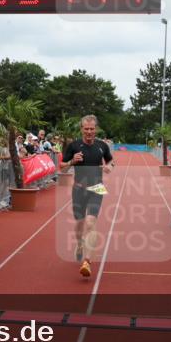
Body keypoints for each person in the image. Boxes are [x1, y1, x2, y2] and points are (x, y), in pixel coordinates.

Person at [60, 115, 114, 279]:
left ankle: (87, 262)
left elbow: (111, 162)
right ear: (82, 129)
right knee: (79, 224)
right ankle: (79, 244)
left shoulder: (102, 146)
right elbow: (61, 167)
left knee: (91, 222)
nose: (89, 131)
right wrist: (71, 162)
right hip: (79, 190)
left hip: (97, 188)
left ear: (95, 129)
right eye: (86, 129)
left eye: (92, 129)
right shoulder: (74, 146)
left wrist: (109, 167)